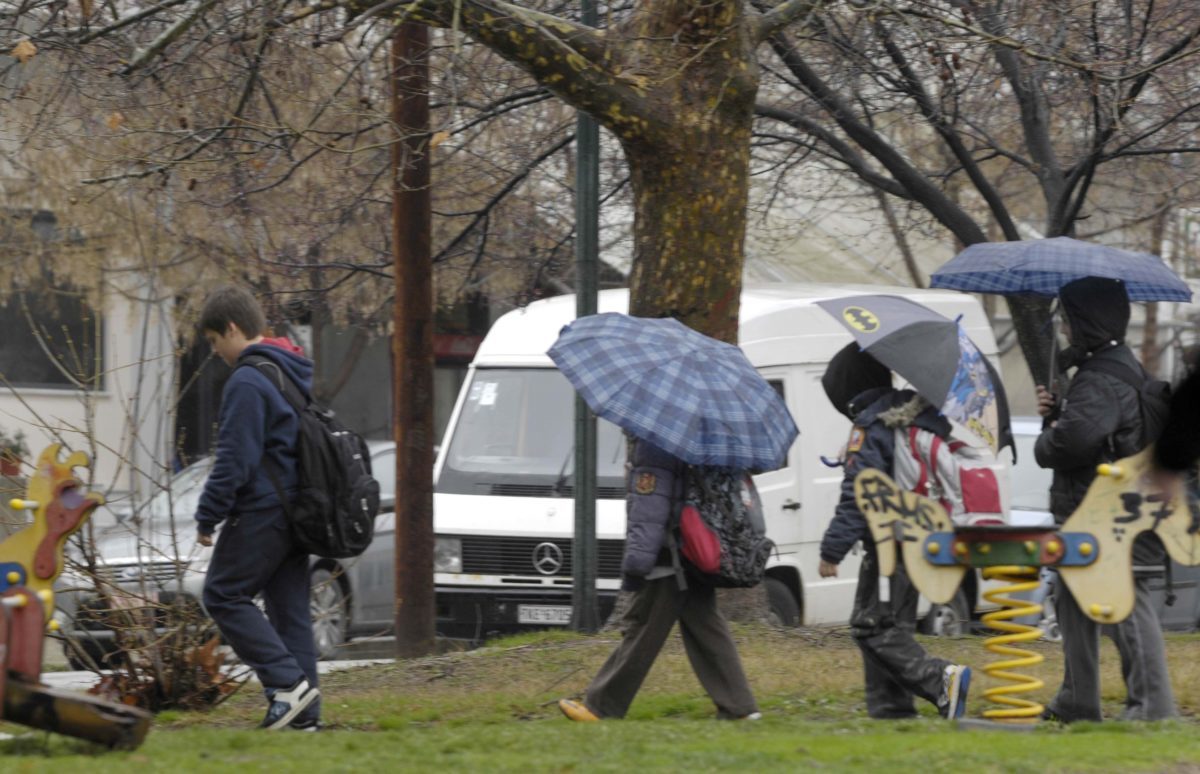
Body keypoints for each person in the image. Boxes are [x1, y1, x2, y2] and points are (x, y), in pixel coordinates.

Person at [1034, 276, 1175, 723]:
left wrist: (1049, 432)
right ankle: (1077, 701)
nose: (1066, 332)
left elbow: (1069, 446)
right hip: (1110, 514)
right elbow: (1097, 432)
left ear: (1087, 322)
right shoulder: (1120, 369)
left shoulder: (1097, 379)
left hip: (1108, 518)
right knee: (1072, 601)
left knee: (1127, 606)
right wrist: (1060, 412)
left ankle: (1153, 711)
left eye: (1070, 322)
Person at [817, 343, 972, 720]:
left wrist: (831, 551)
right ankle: (891, 709)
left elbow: (859, 493)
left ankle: (941, 679)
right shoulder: (910, 417)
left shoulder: (871, 427)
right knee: (892, 626)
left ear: (848, 389)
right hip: (923, 538)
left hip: (891, 545)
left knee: (870, 627)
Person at [558, 439, 760, 722]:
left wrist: (635, 567)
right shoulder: (709, 437)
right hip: (700, 548)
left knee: (642, 628)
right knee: (707, 630)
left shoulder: (657, 443)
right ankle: (741, 708)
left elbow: (649, 511)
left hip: (669, 555)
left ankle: (600, 707)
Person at [194, 286, 321, 731]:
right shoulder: (288, 370)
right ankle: (305, 718)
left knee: (223, 594)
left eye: (214, 341)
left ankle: (287, 686)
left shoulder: (247, 379)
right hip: (296, 511)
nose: (215, 352)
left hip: (264, 509)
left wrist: (208, 514)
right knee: (289, 612)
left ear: (232, 328)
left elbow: (235, 459)